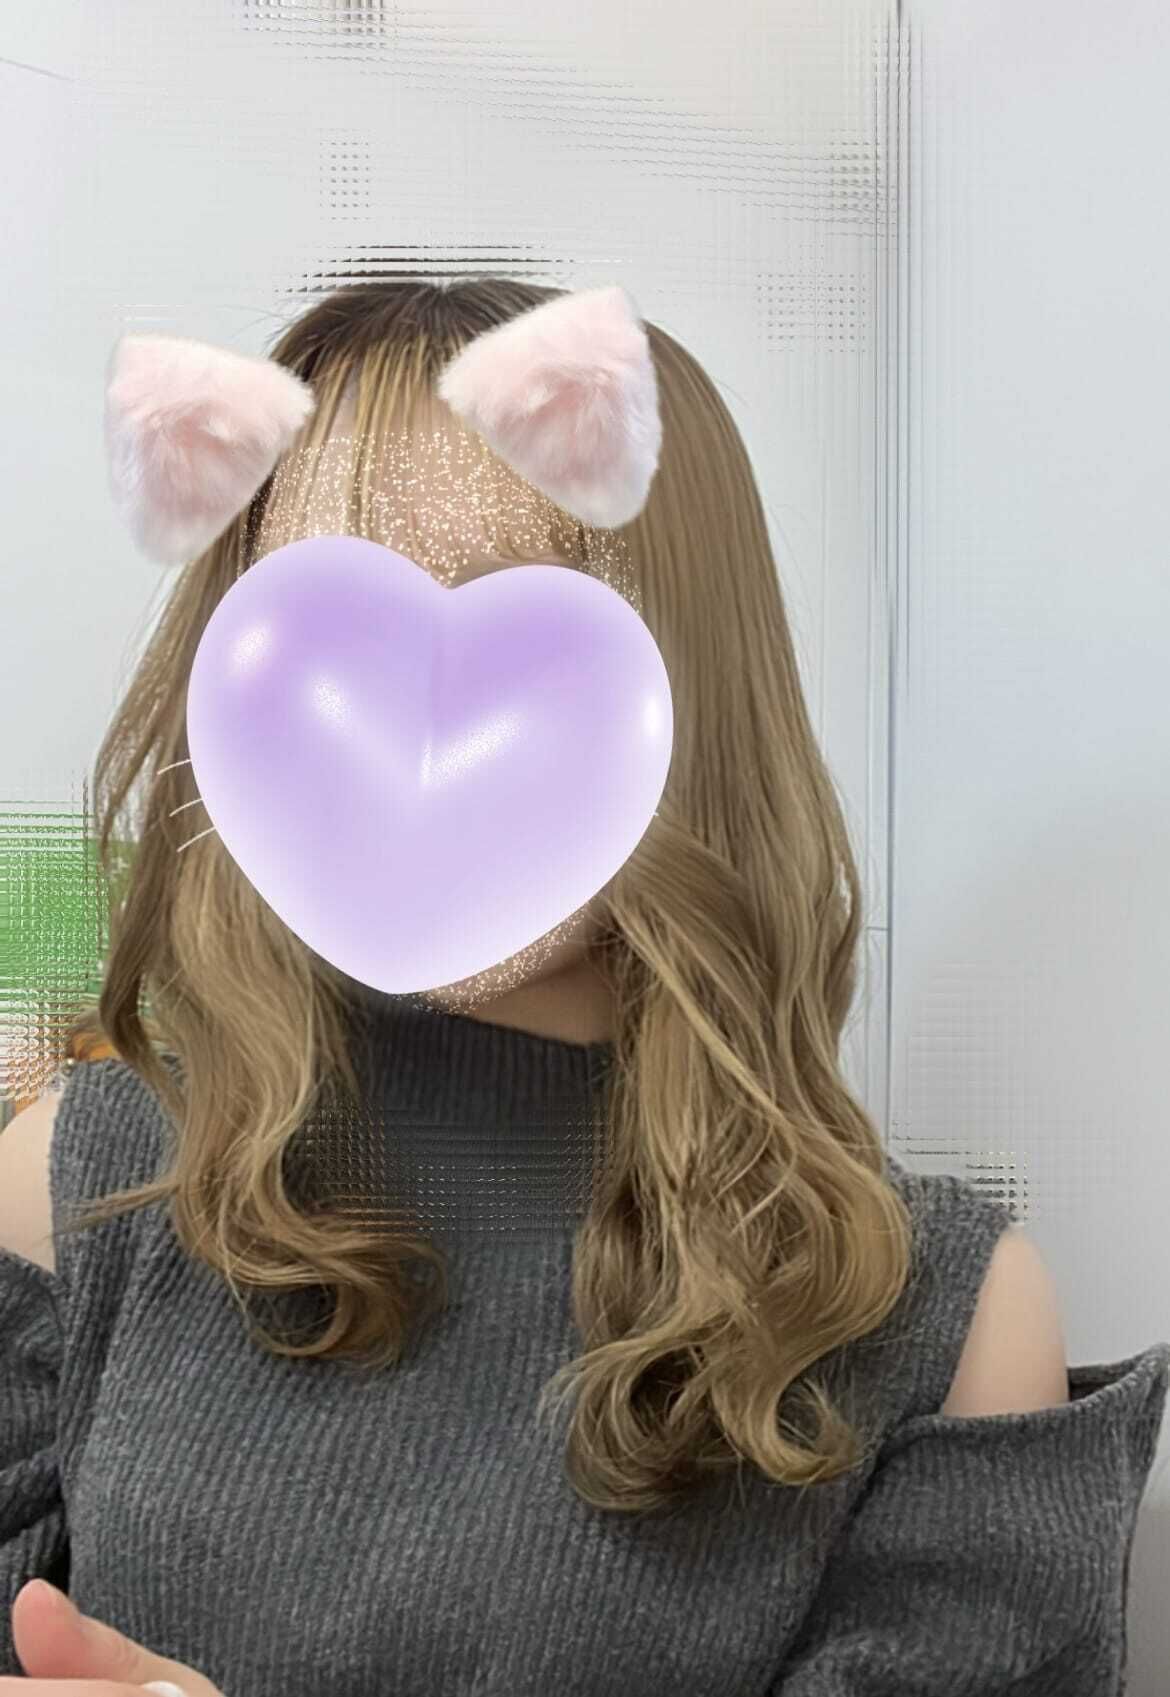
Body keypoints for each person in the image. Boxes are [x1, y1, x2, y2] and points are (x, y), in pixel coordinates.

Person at [0, 277, 1166, 1697]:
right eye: (335, 614)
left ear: (687, 668)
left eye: (511, 606)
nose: (413, 719)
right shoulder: (79, 1183)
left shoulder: (937, 1323)